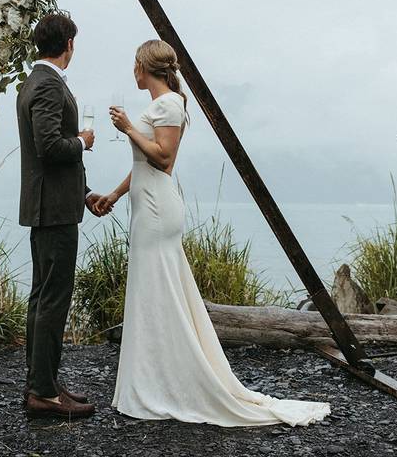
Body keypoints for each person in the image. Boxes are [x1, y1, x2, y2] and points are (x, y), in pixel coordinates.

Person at [97, 39, 331, 427]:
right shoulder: (159, 106)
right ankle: (154, 378)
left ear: (145, 67)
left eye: (135, 65)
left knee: (159, 290)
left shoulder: (171, 103)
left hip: (158, 210)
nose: (132, 71)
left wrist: (126, 128)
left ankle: (170, 382)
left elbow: (164, 159)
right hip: (145, 205)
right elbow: (144, 162)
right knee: (152, 291)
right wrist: (115, 194)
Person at [16, 13, 110, 419]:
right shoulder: (49, 86)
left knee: (43, 296)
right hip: (52, 212)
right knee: (52, 298)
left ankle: (46, 382)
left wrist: (84, 193)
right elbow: (50, 148)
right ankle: (42, 391)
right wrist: (83, 140)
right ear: (68, 43)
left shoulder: (33, 82)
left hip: (52, 204)